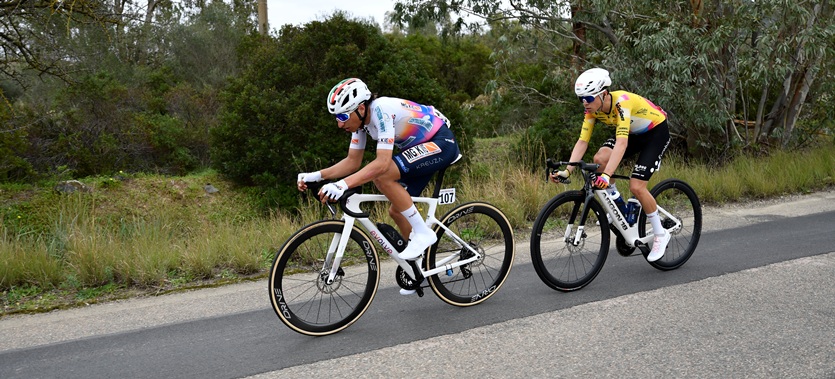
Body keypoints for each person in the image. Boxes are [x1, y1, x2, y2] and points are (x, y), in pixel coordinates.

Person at [297, 78, 460, 293]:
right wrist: (316, 176)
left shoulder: (381, 110)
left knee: (382, 177)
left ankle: (423, 233)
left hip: (441, 143)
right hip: (421, 147)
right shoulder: (360, 123)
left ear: (361, 108)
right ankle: (418, 269)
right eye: (337, 117)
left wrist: (342, 185)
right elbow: (352, 162)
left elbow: (382, 163)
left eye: (343, 116)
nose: (339, 123)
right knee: (397, 211)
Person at [551, 68, 671, 262]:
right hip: (633, 133)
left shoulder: (621, 104)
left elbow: (621, 143)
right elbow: (583, 142)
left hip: (654, 133)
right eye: (581, 98)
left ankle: (660, 234)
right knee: (600, 159)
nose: (584, 103)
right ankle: (617, 205)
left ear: (603, 94)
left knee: (636, 186)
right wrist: (567, 171)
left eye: (588, 98)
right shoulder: (592, 110)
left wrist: (606, 176)